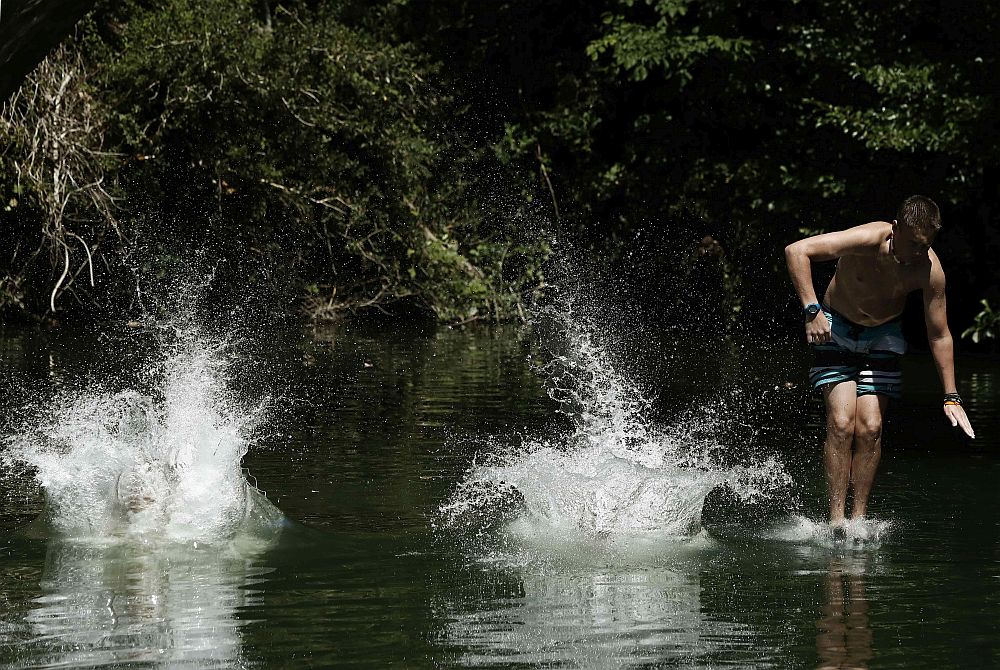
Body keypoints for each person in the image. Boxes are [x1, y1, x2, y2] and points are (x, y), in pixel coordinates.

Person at [784, 195, 975, 528]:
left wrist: (951, 394)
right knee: (842, 423)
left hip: (883, 336)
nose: (918, 252)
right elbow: (796, 251)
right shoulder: (868, 239)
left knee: (870, 428)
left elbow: (939, 334)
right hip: (837, 329)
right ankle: (835, 521)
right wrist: (811, 310)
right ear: (895, 228)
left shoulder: (929, 269)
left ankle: (857, 523)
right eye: (913, 243)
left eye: (925, 245)